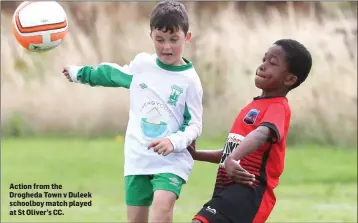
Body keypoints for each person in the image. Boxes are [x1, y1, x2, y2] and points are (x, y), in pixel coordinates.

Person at [62, 1, 203, 223]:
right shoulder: (143, 65)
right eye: (160, 39)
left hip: (171, 161)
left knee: (162, 210)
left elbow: (194, 125)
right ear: (151, 36)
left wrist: (173, 142)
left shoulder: (190, 81)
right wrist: (81, 73)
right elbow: (113, 74)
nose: (166, 47)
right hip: (138, 158)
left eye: (174, 40)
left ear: (187, 37)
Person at [190, 39, 312, 223]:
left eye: (272, 63)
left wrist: (233, 158)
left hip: (250, 192)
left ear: (289, 79)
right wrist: (196, 154)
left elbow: (261, 134)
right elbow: (230, 152)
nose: (262, 66)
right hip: (229, 190)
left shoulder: (278, 107)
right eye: (264, 59)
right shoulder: (252, 106)